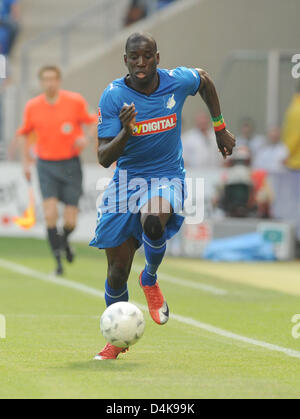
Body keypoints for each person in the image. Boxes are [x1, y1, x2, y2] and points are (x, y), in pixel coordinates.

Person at [90, 32, 235, 360]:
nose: (140, 63)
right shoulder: (113, 96)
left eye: (147, 56)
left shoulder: (177, 81)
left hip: (166, 176)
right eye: (134, 57)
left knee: (153, 220)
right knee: (115, 271)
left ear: (157, 57)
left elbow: (205, 81)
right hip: (126, 182)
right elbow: (103, 157)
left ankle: (150, 278)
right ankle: (118, 339)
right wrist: (127, 131)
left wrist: (219, 126)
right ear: (125, 60)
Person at [17, 66, 97, 275]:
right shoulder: (32, 106)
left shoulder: (75, 101)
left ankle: (64, 243)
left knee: (70, 220)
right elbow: (27, 134)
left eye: (53, 79)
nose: (49, 83)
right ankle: (59, 263)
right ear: (41, 82)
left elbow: (94, 121)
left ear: (59, 81)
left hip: (70, 164)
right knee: (50, 213)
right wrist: (26, 163)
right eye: (45, 79)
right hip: (46, 165)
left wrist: (86, 139)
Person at [283, 82, 300, 171]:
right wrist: (285, 155)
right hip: (296, 164)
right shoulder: (297, 110)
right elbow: (294, 136)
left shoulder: (294, 108)